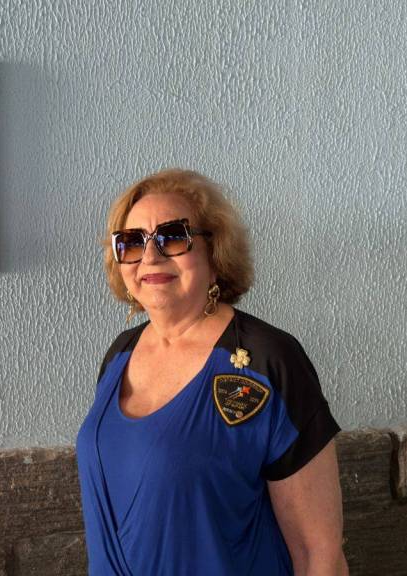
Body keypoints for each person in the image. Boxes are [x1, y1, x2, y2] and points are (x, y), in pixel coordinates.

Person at [76, 169, 348, 575]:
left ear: (215, 251)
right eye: (132, 242)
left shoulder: (268, 360)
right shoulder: (120, 354)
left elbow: (318, 554)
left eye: (172, 237)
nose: (150, 256)